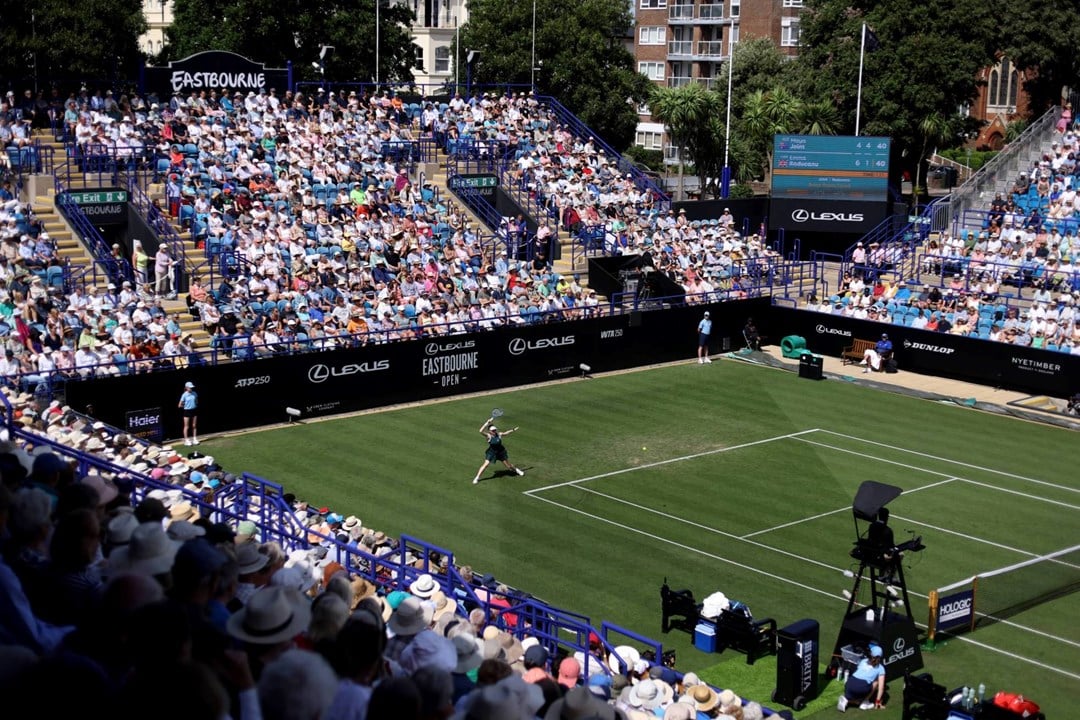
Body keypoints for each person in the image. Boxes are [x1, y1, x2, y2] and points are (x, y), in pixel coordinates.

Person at [472, 417, 524, 484]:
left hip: (500, 452)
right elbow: (480, 431)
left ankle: (517, 470)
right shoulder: (488, 436)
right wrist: (487, 422)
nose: (494, 431)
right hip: (491, 452)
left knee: (508, 466)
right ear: (489, 431)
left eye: (495, 430)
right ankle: (477, 478)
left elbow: (506, 433)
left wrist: (513, 430)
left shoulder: (499, 434)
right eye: (493, 430)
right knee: (485, 464)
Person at [838, 644, 886, 712]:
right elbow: (881, 688)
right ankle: (864, 702)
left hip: (849, 683)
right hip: (861, 687)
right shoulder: (881, 668)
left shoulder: (863, 661)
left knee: (856, 694)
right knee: (876, 682)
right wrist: (877, 702)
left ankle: (846, 700)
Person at [178, 380, 199, 446]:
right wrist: (185, 406)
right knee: (186, 426)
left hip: (194, 410)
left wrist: (194, 405)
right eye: (190, 387)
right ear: (186, 387)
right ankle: (186, 440)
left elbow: (196, 401)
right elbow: (179, 405)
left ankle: (194, 439)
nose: (191, 388)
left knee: (194, 425)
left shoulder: (195, 393)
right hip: (187, 411)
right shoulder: (184, 395)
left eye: (191, 387)